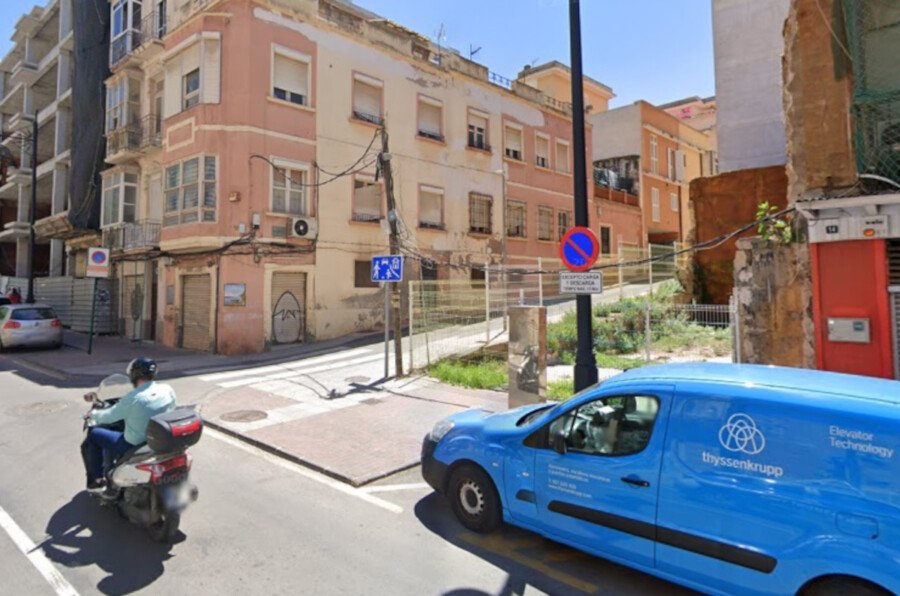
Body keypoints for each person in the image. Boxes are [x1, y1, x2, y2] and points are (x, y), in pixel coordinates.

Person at [81, 357, 176, 490]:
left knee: (95, 435)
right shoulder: (167, 389)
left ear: (134, 375)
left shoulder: (133, 398)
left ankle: (96, 480)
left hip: (133, 443)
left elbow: (109, 416)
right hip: (158, 438)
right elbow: (172, 408)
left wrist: (92, 414)